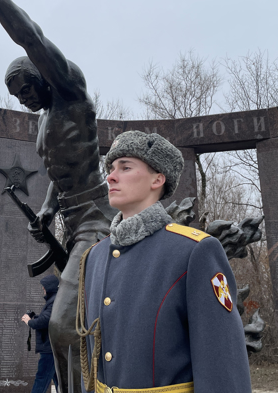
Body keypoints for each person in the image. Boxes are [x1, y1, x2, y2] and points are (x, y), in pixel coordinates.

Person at [0, 0, 117, 393]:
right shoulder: (44, 124)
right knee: (73, 328)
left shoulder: (70, 93)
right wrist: (45, 211)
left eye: (26, 88)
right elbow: (61, 178)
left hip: (99, 217)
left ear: (43, 75)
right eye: (18, 96)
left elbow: (31, 38)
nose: (24, 99)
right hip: (74, 222)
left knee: (62, 325)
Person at [77, 131, 252, 393]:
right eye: (111, 168)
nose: (111, 176)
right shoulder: (94, 257)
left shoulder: (195, 251)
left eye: (125, 167)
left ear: (158, 178)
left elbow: (222, 365)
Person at [23, 275, 60, 393]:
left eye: (44, 287)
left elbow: (45, 320)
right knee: (60, 381)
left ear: (49, 287)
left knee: (42, 378)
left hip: (49, 348)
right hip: (52, 347)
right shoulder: (54, 300)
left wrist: (29, 321)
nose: (43, 289)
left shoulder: (54, 301)